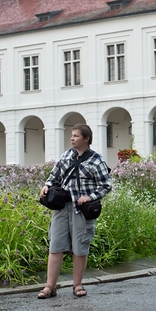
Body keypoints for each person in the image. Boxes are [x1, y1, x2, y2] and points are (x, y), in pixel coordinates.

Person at [38, 124, 112, 299]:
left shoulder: (96, 160)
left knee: (80, 247)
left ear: (86, 139)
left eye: (76, 136)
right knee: (56, 245)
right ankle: (50, 287)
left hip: (81, 210)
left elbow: (106, 185)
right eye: (72, 136)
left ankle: (77, 285)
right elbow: (54, 176)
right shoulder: (66, 156)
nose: (72, 139)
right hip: (62, 207)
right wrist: (47, 185)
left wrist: (91, 196)